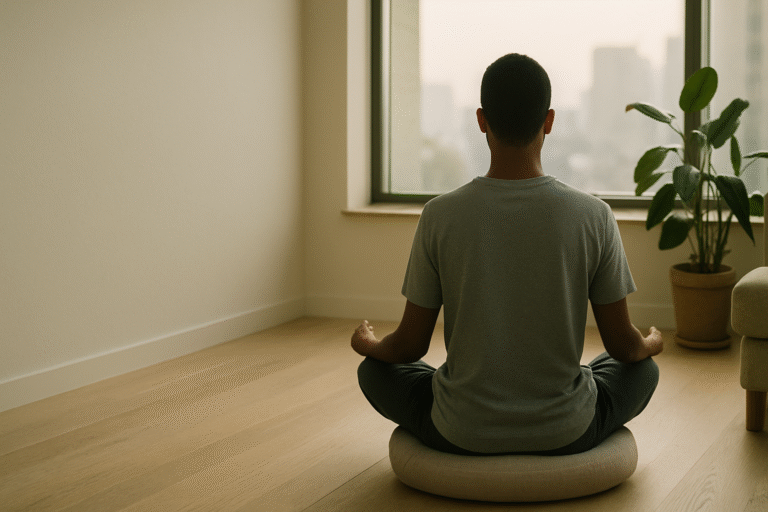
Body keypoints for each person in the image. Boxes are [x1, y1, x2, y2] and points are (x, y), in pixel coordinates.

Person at [352, 53, 662, 456]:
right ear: (549, 121)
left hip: (460, 430)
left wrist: (370, 344)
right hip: (568, 430)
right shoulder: (595, 215)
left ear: (481, 120)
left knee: (374, 372)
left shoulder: (439, 215)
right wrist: (652, 342)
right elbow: (624, 347)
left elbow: (410, 347)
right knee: (642, 371)